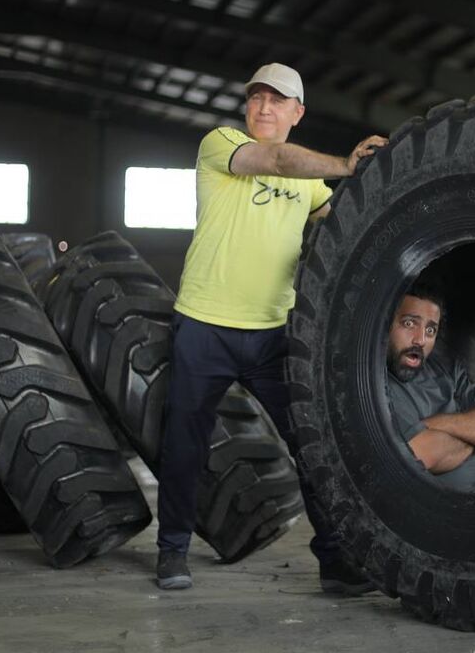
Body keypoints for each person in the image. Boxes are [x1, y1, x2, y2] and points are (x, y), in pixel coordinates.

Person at [156, 62, 388, 593]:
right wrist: (346, 164)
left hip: (272, 334)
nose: (264, 107)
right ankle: (172, 552)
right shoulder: (222, 144)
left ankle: (335, 561)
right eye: (257, 97)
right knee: (184, 444)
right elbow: (278, 159)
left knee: (312, 448)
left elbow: (347, 225)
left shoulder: (310, 187)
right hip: (204, 324)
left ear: (297, 112)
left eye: (278, 100)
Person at [385, 280, 475, 489]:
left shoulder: (445, 370)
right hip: (458, 510)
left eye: (430, 330)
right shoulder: (382, 385)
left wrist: (433, 425)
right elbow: (425, 454)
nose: (420, 339)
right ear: (387, 325)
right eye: (409, 323)